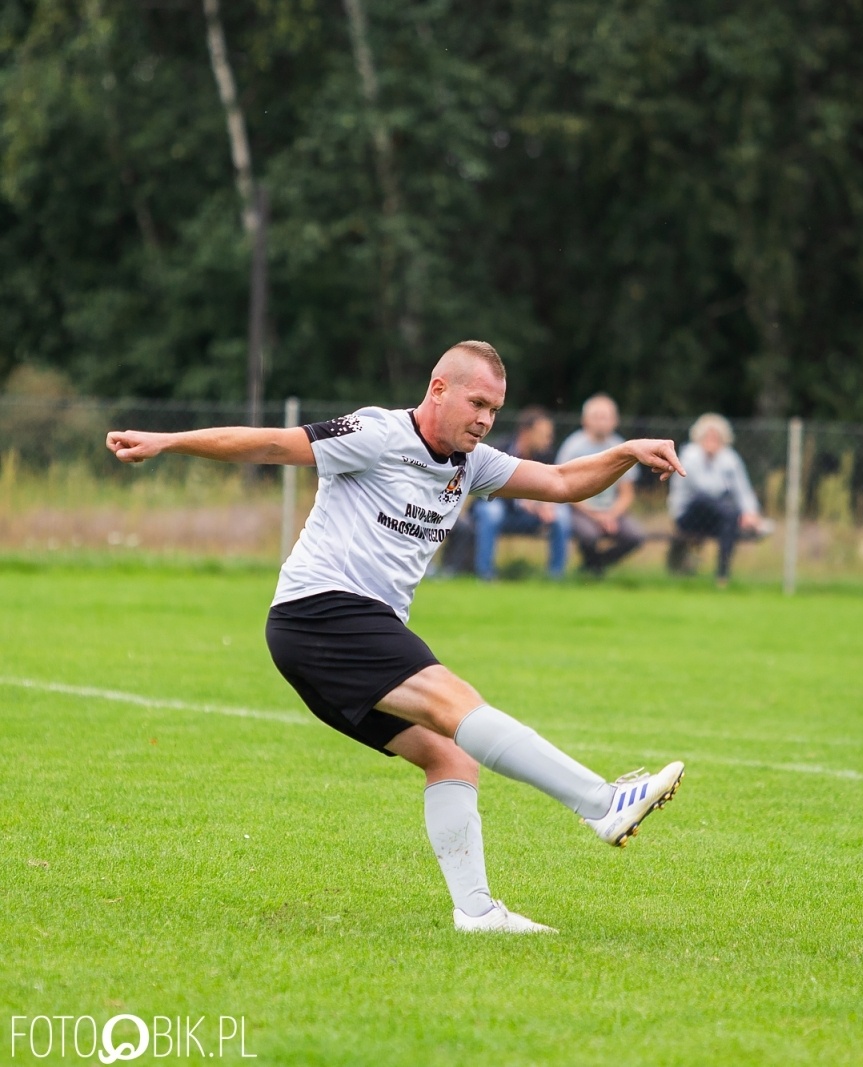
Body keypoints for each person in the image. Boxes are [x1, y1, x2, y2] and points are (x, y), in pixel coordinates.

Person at [105, 341, 688, 934]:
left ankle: (478, 913)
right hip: (323, 612)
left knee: (450, 755)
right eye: (477, 402)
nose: (486, 419)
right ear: (439, 388)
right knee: (454, 702)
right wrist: (167, 441)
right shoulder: (375, 433)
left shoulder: (473, 462)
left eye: (495, 408)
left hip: (331, 633)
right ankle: (600, 804)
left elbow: (563, 482)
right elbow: (271, 443)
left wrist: (625, 453)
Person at [470, 406, 571, 580]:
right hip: (499, 507)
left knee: (561, 515)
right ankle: (485, 575)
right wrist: (526, 503)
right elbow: (485, 489)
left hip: (530, 514)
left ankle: (556, 577)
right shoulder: (498, 449)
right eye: (544, 434)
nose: (549, 440)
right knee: (492, 512)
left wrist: (546, 506)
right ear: (526, 432)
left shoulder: (547, 456)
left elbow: (551, 486)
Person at [667, 413, 765, 586]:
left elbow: (743, 490)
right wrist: (731, 503)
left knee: (730, 517)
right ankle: (722, 574)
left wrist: (750, 513)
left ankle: (722, 575)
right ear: (699, 437)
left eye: (716, 437)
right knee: (711, 501)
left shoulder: (731, 459)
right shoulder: (689, 456)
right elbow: (703, 488)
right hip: (689, 515)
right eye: (708, 436)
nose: (711, 441)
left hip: (718, 517)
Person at [554, 394, 644, 575]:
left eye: (606, 417)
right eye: (597, 417)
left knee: (636, 536)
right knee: (589, 536)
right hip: (579, 509)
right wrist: (595, 516)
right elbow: (563, 486)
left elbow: (627, 492)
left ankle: (594, 566)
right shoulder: (573, 446)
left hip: (612, 511)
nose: (602, 422)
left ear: (615, 421)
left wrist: (610, 515)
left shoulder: (621, 448)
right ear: (585, 420)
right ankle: (593, 569)